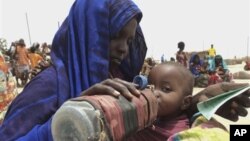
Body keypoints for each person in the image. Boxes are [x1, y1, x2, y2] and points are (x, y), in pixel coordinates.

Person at [1, 0, 250, 141]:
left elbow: (141, 116)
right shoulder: (51, 84)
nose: (123, 49)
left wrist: (195, 103)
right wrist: (68, 122)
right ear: (90, 30)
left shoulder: (116, 77)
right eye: (114, 36)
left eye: (129, 41)